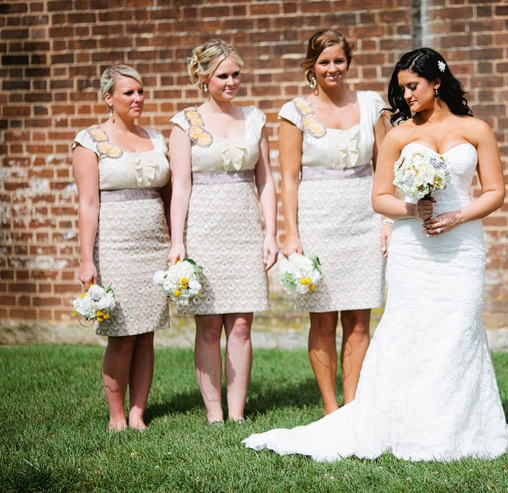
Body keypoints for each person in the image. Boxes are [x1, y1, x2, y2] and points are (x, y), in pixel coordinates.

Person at [243, 48, 508, 462]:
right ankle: (407, 423)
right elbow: (379, 198)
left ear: (437, 83)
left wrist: (458, 215)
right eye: (402, 88)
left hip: (462, 246)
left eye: (413, 86)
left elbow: (496, 192)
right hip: (414, 247)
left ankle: (455, 424)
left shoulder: (476, 129)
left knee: (458, 327)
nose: (406, 95)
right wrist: (412, 209)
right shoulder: (399, 135)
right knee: (412, 330)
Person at [278, 30, 389, 415]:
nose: (332, 68)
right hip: (318, 220)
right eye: (324, 62)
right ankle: (331, 408)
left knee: (360, 320)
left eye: (338, 61)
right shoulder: (294, 113)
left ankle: (355, 406)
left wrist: (388, 220)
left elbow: (384, 167)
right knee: (323, 320)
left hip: (365, 217)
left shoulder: (372, 105)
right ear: (312, 67)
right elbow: (289, 178)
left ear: (348, 63)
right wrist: (291, 233)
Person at [168, 40, 278, 425]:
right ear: (203, 77)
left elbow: (265, 181)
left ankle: (237, 412)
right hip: (204, 228)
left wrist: (270, 234)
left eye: (235, 74)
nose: (231, 82)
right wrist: (178, 240)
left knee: (242, 325)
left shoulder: (255, 118)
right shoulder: (185, 123)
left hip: (245, 227)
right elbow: (180, 185)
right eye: (222, 75)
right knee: (210, 324)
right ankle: (214, 413)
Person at [72, 65, 170, 431]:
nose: (137, 98)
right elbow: (88, 204)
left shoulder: (157, 139)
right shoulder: (90, 141)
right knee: (122, 334)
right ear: (109, 98)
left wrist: (176, 243)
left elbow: (169, 192)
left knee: (146, 334)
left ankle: (138, 413)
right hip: (115, 245)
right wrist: (87, 259)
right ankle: (116, 416)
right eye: (128, 93)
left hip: (154, 244)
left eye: (141, 91)